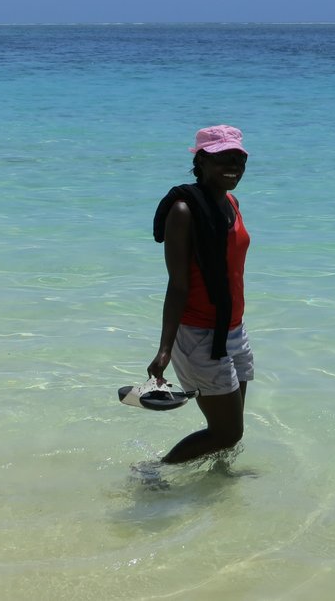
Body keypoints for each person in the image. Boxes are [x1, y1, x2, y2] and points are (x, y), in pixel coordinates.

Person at [147, 125, 253, 464]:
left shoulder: (232, 203)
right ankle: (152, 471)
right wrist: (165, 349)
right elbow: (178, 284)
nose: (233, 165)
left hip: (232, 328)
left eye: (238, 158)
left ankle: (220, 482)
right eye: (223, 158)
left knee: (230, 425)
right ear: (202, 161)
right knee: (227, 431)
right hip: (198, 334)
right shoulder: (184, 211)